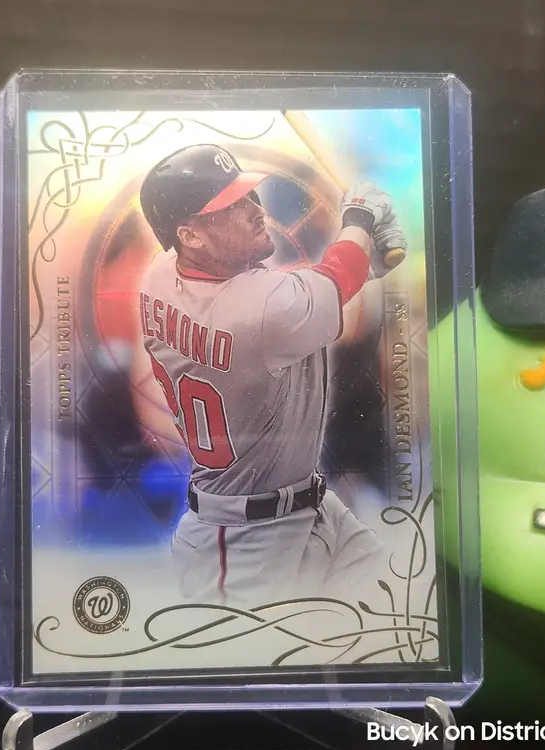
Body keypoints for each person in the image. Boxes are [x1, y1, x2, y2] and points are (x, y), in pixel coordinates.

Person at [137, 143, 407, 605]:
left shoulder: (160, 275)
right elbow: (308, 296)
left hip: (310, 508)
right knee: (255, 650)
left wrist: (365, 261)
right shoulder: (259, 310)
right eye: (229, 206)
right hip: (244, 541)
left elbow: (298, 295)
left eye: (247, 195)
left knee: (390, 612)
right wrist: (360, 218)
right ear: (191, 235)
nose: (254, 210)